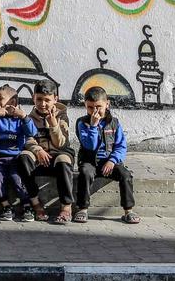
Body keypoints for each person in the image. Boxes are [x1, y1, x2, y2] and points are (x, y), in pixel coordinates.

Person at [74, 86, 140, 224]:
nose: (95, 111)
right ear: (85, 106)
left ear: (107, 104)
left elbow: (121, 146)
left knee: (126, 175)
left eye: (98, 106)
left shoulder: (114, 123)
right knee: (85, 173)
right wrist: (93, 126)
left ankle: (128, 210)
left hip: (110, 162)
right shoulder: (82, 123)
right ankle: (82, 209)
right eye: (90, 107)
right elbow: (89, 146)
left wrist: (113, 160)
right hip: (90, 161)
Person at [17, 82, 76, 224]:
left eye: (47, 100)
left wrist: (53, 124)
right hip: (39, 156)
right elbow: (28, 139)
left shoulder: (62, 116)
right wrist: (38, 150)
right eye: (39, 99)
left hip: (58, 153)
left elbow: (61, 143)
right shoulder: (29, 118)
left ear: (55, 99)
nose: (43, 104)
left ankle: (66, 207)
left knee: (64, 160)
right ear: (33, 98)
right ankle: (36, 204)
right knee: (23, 157)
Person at [0, 85, 37, 222]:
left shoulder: (20, 119)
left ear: (13, 102)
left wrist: (24, 117)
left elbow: (32, 132)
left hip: (15, 158)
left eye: (0, 99)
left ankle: (27, 206)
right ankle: (6, 206)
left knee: (17, 179)